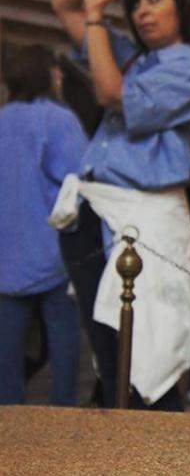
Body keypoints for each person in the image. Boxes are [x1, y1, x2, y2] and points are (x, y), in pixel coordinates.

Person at [50, 0, 190, 411]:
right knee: (109, 348)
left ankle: (153, 450)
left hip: (148, 219)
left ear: (182, 8)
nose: (141, 10)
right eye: (137, 1)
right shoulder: (133, 58)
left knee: (147, 352)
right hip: (101, 213)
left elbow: (112, 94)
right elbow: (64, 7)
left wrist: (99, 17)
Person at [0, 45, 87, 406]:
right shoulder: (58, 119)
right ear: (46, 73)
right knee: (65, 351)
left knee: (6, 354)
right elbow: (78, 182)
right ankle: (61, 430)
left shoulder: (3, 118)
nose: (60, 77)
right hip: (54, 252)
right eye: (56, 70)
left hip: (6, 256)